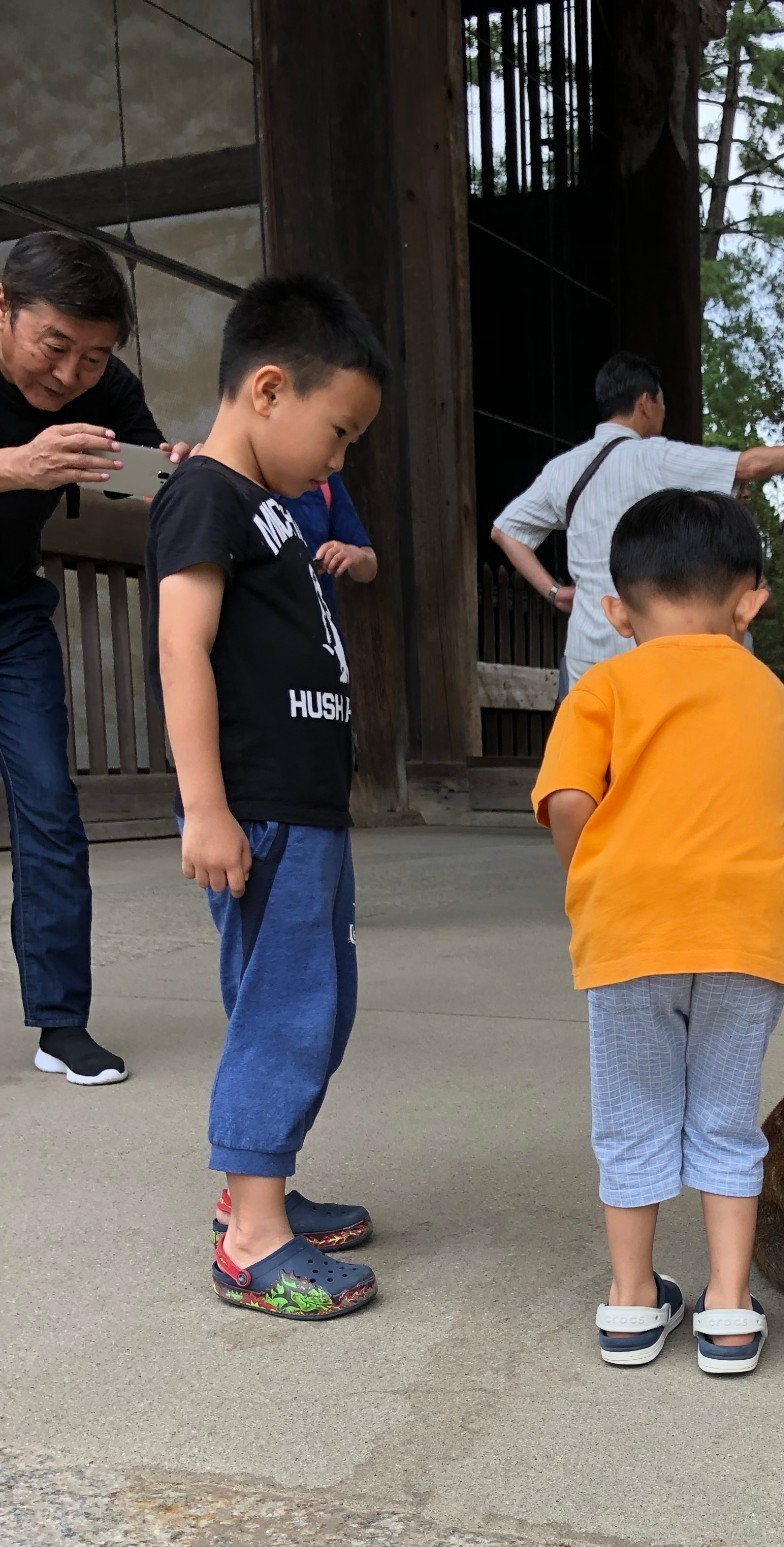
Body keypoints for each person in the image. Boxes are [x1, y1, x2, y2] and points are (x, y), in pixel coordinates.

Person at [531, 488, 784, 1376]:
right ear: (749, 599)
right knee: (722, 1117)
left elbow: (566, 799)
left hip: (631, 936)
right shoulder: (769, 692)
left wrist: (591, 876)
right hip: (748, 941)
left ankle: (632, 1305)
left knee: (632, 1118)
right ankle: (726, 1308)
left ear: (614, 609)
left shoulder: (602, 686)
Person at [147, 273, 388, 1319]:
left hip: (305, 808)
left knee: (309, 1004)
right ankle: (252, 1238)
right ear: (268, 390)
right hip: (260, 810)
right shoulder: (205, 492)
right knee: (284, 1011)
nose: (337, 463)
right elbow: (181, 646)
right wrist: (206, 805)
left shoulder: (272, 510)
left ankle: (259, 1186)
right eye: (336, 435)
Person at [0, 230, 190, 1084]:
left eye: (93, 356)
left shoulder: (104, 384)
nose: (71, 375)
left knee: (48, 807)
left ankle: (60, 1024)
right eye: (54, 347)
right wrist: (16, 466)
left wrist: (173, 468)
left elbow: (146, 476)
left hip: (11, 613)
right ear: (2, 310)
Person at [492, 350, 784, 697]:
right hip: (646, 654)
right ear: (645, 401)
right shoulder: (654, 458)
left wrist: (554, 593)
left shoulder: (563, 469)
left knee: (587, 752)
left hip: (586, 658)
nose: (663, 412)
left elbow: (506, 530)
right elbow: (749, 465)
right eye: (662, 403)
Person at [280, 471, 376, 626]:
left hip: (321, 633)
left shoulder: (325, 481)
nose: (336, 462)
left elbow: (369, 568)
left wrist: (356, 555)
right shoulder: (240, 485)